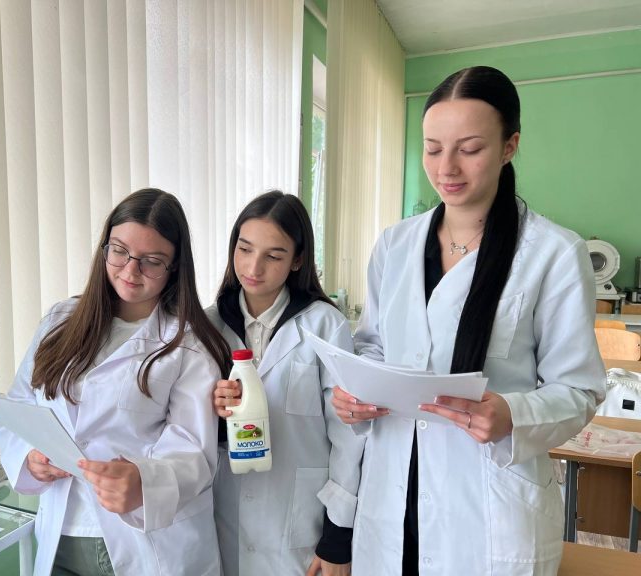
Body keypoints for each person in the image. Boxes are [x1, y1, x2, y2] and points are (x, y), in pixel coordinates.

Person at [332, 66, 605, 575]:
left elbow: (580, 390)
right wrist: (354, 394)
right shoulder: (395, 245)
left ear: (509, 146)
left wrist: (513, 413)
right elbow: (372, 346)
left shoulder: (552, 253)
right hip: (393, 496)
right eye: (433, 149)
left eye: (470, 148)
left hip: (487, 504)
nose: (447, 168)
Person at [0, 188, 231, 576]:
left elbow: (194, 449)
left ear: (174, 267)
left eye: (151, 261)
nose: (130, 270)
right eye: (120, 251)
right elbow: (20, 403)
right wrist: (30, 458)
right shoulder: (60, 320)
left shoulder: (188, 343)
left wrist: (144, 482)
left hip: (142, 542)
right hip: (60, 531)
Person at [210, 191, 365, 576]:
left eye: (273, 256)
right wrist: (214, 414)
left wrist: (337, 538)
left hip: (299, 528)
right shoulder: (209, 324)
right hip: (222, 520)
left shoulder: (324, 325)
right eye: (245, 249)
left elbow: (348, 437)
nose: (253, 267)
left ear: (297, 260)